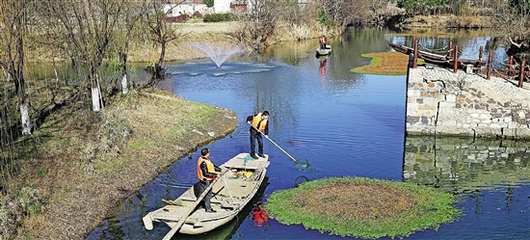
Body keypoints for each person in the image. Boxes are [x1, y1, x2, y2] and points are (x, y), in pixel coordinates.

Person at [194, 148, 222, 213]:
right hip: (206, 180)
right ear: (207, 153)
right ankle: (208, 209)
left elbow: (211, 166)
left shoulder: (202, 159)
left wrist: (218, 169)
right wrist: (215, 175)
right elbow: (205, 173)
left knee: (201, 193)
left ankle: (200, 205)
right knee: (208, 194)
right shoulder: (204, 162)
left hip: (202, 179)